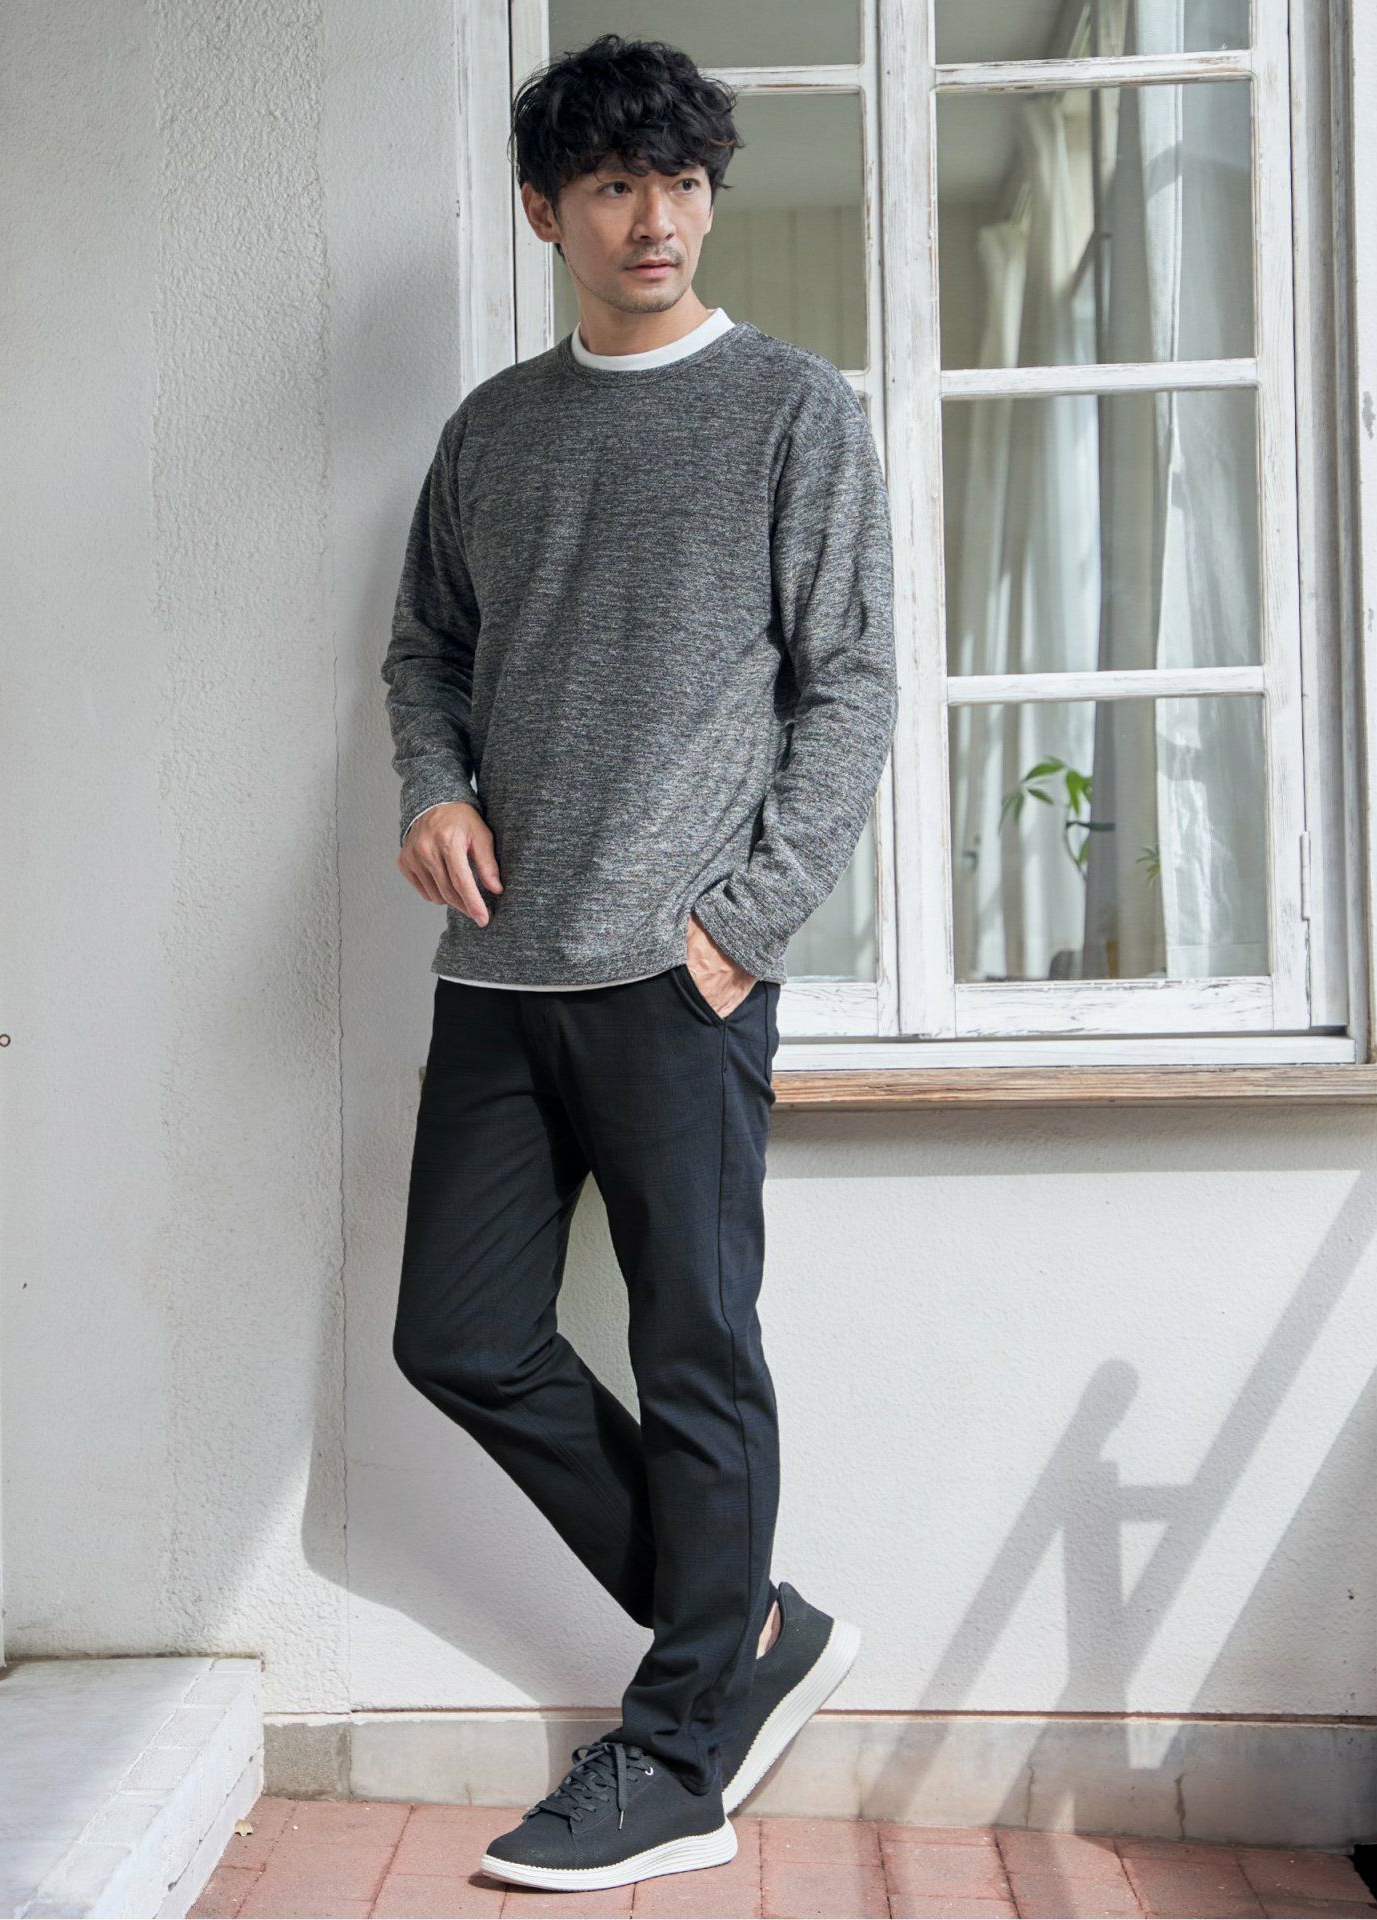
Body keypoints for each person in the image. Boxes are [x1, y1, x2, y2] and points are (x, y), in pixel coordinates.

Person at [380, 30, 897, 1895]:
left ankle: (681, 1752)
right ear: (547, 213)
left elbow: (852, 685)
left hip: (682, 985)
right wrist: (434, 787)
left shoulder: (792, 411)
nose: (655, 217)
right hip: (498, 975)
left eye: (680, 182)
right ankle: (741, 1627)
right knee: (458, 1337)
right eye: (613, 185)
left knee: (696, 1355)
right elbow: (425, 652)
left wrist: (739, 929)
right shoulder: (493, 432)